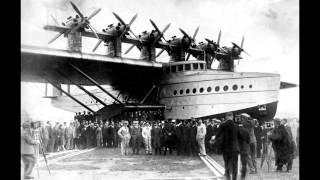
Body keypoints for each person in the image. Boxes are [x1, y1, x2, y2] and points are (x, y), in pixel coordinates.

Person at [214, 112, 239, 180]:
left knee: (227, 164)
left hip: (226, 148)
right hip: (235, 148)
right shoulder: (236, 126)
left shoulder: (222, 125)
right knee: (235, 166)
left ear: (226, 117)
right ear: (232, 117)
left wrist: (214, 139)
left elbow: (218, 135)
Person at [237, 115, 251, 180]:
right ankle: (243, 177)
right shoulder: (246, 131)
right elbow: (248, 141)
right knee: (244, 164)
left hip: (236, 149)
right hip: (244, 149)